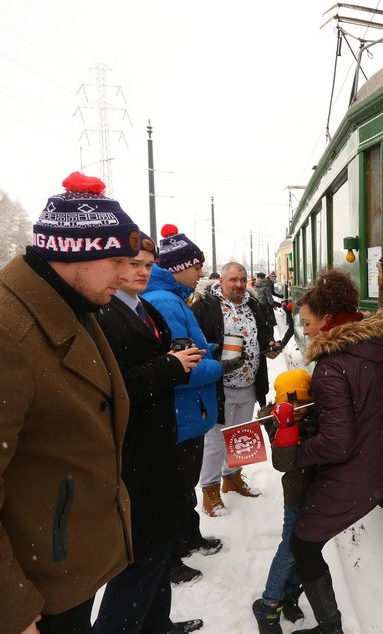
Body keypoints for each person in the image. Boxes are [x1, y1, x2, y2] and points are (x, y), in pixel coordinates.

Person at [0, 172, 138, 634]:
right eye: (116, 260)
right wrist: (3, 613)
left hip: (64, 571)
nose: (126, 274)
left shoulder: (70, 307)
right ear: (76, 254)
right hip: (31, 596)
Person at [271, 268, 383, 634]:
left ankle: (330, 627)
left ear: (329, 321)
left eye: (310, 323)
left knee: (303, 542)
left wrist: (292, 454)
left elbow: (337, 442)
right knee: (308, 539)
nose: (308, 330)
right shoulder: (375, 343)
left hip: (357, 471)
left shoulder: (331, 367)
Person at [94, 233, 205, 634]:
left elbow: (151, 357)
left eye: (147, 265)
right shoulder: (104, 315)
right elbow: (112, 389)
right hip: (135, 454)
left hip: (158, 446)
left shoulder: (140, 306)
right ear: (114, 266)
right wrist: (172, 365)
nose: (141, 272)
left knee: (157, 551)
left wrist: (175, 353)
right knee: (139, 560)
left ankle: (158, 624)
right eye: (132, 264)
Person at [142, 223, 224, 585]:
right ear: (178, 267)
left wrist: (212, 351)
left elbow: (189, 350)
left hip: (187, 413)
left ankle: (188, 537)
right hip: (181, 413)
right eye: (196, 266)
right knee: (177, 486)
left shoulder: (171, 297)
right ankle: (173, 557)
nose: (201, 273)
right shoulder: (165, 302)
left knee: (184, 482)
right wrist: (220, 365)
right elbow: (182, 368)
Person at [190, 261, 283, 516]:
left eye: (243, 279)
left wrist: (270, 346)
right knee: (215, 438)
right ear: (222, 280)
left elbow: (263, 336)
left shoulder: (255, 306)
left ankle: (232, 478)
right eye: (234, 280)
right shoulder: (205, 307)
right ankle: (210, 489)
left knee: (242, 434)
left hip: (249, 383)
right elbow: (197, 343)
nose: (240, 284)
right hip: (219, 385)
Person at [253, 369, 317, 634]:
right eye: (291, 404)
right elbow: (283, 462)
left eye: (302, 402)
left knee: (307, 551)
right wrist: (287, 426)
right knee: (290, 550)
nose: (298, 409)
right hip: (296, 497)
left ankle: (289, 593)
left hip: (319, 496)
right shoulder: (276, 423)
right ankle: (268, 605)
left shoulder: (318, 417)